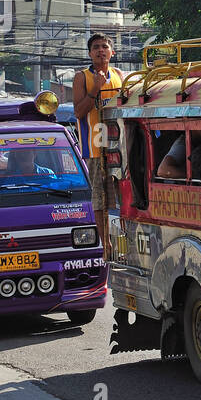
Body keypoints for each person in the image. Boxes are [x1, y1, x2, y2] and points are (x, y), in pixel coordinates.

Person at [72, 34, 124, 250]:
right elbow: (78, 111)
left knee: (121, 195)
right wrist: (95, 89)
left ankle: (124, 240)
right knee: (99, 198)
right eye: (96, 47)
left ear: (112, 52)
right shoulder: (82, 77)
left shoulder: (119, 75)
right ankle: (107, 245)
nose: (100, 50)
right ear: (90, 53)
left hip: (119, 144)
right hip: (95, 146)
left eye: (105, 46)